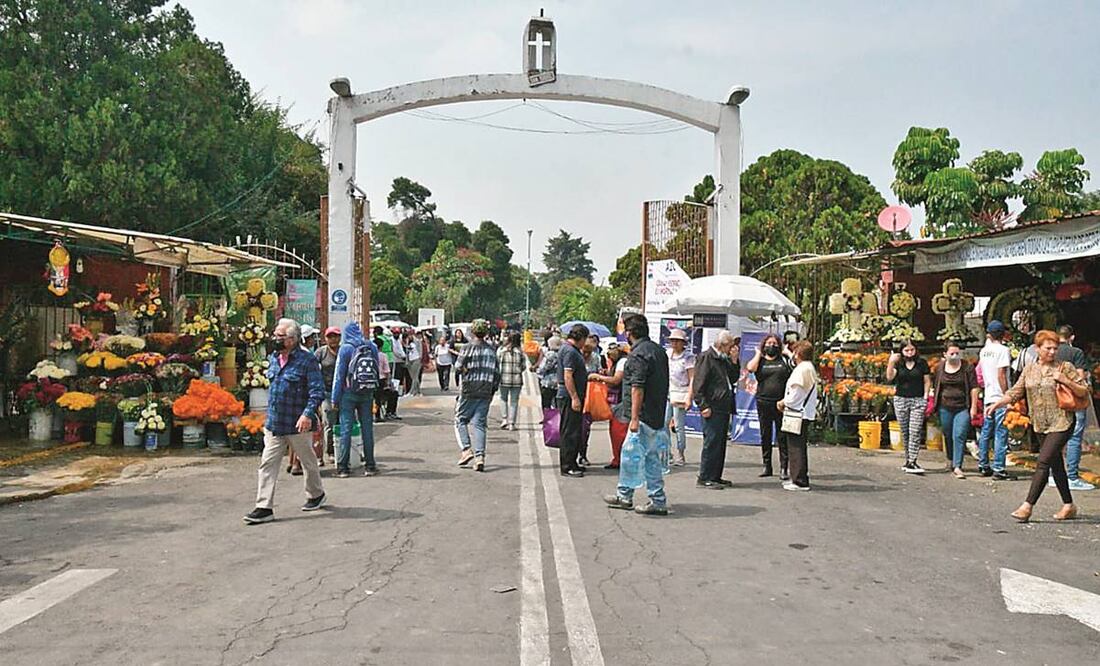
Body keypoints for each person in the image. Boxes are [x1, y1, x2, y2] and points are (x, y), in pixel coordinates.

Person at [986, 329, 1089, 522]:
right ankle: (1069, 505)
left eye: (1055, 348)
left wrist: (1065, 380)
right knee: (1055, 464)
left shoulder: (1064, 367)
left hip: (1062, 421)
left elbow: (1083, 390)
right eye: (1048, 348)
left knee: (1043, 461)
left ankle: (1027, 506)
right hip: (1040, 423)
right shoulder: (1030, 369)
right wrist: (998, 403)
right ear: (1037, 348)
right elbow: (1016, 391)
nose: (1052, 352)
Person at [243, 318, 326, 524]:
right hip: (274, 423)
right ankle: (264, 507)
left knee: (308, 462)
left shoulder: (307, 361)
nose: (276, 339)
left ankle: (316, 494)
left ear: (292, 339)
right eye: (276, 335)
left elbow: (317, 391)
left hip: (297, 424)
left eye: (280, 336)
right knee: (267, 463)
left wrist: (307, 414)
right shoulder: (273, 357)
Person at [602, 314, 671, 515]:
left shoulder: (638, 354)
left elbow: (637, 387)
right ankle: (627, 494)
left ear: (629, 333)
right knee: (637, 456)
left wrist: (633, 418)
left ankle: (653, 499)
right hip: (655, 412)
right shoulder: (658, 351)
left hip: (642, 415)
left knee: (641, 457)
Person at [331, 321, 381, 478]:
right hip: (367, 393)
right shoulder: (371, 346)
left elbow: (339, 375)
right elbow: (376, 368)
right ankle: (370, 466)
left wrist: (335, 398)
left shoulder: (345, 349)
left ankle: (343, 467)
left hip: (348, 393)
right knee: (367, 429)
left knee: (346, 428)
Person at [692, 330, 739, 489]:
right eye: (730, 346)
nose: (732, 348)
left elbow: (733, 378)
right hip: (712, 406)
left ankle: (716, 475)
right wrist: (703, 405)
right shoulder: (707, 357)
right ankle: (705, 476)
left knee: (720, 443)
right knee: (711, 442)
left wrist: (734, 360)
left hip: (723, 406)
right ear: (723, 344)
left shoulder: (723, 359)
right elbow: (698, 384)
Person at [453, 319, 500, 472]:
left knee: (460, 420)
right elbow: (497, 374)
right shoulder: (492, 349)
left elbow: (458, 367)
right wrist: (492, 390)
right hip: (486, 390)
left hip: (469, 390)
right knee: (480, 424)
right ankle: (480, 457)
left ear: (472, 332)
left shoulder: (467, 348)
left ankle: (466, 450)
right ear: (485, 333)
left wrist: (466, 370)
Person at [931, 341, 980, 479]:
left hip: (962, 407)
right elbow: (936, 385)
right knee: (947, 433)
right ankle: (950, 459)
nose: (955, 356)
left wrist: (974, 407)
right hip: (944, 406)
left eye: (957, 353)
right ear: (945, 354)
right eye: (951, 353)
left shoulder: (967, 367)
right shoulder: (940, 367)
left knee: (959, 434)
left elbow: (974, 387)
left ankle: (958, 465)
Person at [746, 333, 792, 478]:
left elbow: (797, 366)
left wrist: (788, 352)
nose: (771, 346)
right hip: (763, 402)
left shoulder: (783, 360)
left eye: (774, 343)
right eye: (768, 343)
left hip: (780, 403)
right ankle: (767, 466)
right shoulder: (760, 360)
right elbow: (750, 368)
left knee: (782, 436)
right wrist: (759, 353)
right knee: (765, 435)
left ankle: (784, 468)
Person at [1056, 324, 1095, 491]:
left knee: (1056, 437)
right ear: (1071, 337)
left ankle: (1054, 475)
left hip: (1055, 399)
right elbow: (1080, 376)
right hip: (1072, 399)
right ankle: (1071, 475)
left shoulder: (1051, 352)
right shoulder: (1076, 353)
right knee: (1074, 437)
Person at [885, 339, 932, 475]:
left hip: (917, 400)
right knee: (905, 431)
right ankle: (908, 459)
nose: (910, 353)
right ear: (902, 351)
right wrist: (891, 362)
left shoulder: (921, 363)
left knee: (915, 430)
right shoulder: (899, 363)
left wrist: (925, 397)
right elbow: (889, 377)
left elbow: (927, 380)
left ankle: (913, 460)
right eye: (906, 350)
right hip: (901, 399)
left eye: (912, 350)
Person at [778, 340, 818, 491]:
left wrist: (783, 402)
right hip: (804, 412)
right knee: (797, 446)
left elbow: (796, 394)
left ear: (799, 354)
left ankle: (799, 480)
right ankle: (798, 477)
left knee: (796, 447)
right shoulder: (807, 367)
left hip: (797, 413)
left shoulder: (802, 370)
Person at [977, 321, 1013, 480]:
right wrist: (1007, 395)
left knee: (986, 432)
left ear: (989, 334)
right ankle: (999, 467)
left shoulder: (984, 351)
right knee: (1001, 432)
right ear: (1003, 334)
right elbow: (1001, 375)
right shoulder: (1003, 351)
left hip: (988, 395)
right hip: (1000, 397)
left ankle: (983, 464)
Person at [556, 324, 590, 478]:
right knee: (569, 432)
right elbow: (568, 376)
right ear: (581, 337)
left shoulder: (570, 350)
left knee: (574, 430)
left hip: (572, 395)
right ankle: (567, 465)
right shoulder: (570, 351)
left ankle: (572, 462)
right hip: (569, 396)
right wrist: (575, 398)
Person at [591, 342, 628, 469]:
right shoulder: (618, 362)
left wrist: (598, 377)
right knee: (615, 431)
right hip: (618, 401)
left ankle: (620, 460)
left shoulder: (622, 362)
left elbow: (616, 380)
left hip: (621, 401)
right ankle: (617, 458)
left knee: (619, 432)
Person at [311, 326, 343, 467]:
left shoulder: (344, 351)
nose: (333, 339)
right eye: (330, 336)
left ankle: (344, 450)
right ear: (325, 338)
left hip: (343, 393)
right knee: (329, 423)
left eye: (335, 336)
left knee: (345, 422)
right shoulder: (321, 353)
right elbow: (312, 370)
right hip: (326, 393)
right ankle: (330, 452)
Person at [664, 328, 695, 467]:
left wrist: (689, 396)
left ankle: (680, 453)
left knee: (678, 425)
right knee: (664, 423)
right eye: (672, 340)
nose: (674, 343)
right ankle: (666, 453)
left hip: (681, 392)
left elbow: (692, 378)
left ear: (683, 343)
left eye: (677, 341)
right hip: (668, 392)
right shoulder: (667, 354)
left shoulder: (688, 357)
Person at [497, 331, 525, 431]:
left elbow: (497, 363)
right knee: (514, 401)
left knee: (503, 398)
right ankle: (512, 423)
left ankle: (504, 419)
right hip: (517, 380)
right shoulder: (520, 352)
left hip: (503, 378)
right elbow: (523, 367)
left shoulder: (501, 350)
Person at [537, 336, 562, 409]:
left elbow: (544, 367)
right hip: (560, 382)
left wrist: (538, 372)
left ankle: (548, 418)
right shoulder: (563, 353)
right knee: (557, 404)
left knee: (546, 403)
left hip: (549, 382)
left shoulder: (550, 354)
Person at [406, 331, 423, 397]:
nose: (409, 336)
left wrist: (420, 358)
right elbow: (407, 352)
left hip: (416, 359)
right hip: (410, 360)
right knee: (413, 377)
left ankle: (412, 391)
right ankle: (418, 391)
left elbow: (420, 351)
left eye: (410, 335)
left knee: (415, 376)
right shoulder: (408, 341)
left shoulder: (417, 341)